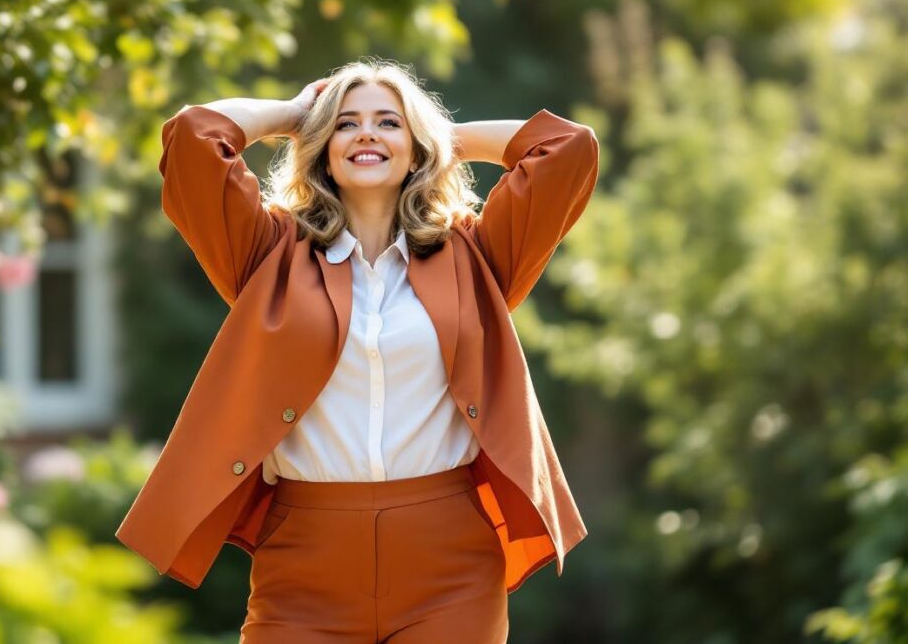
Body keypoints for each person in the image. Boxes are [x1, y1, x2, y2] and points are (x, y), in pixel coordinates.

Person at [115, 59, 601, 643]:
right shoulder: (267, 253)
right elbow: (194, 138)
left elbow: (568, 148)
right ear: (321, 147)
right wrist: (295, 114)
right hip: (303, 562)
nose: (366, 134)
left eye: (387, 123)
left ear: (417, 148)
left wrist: (440, 138)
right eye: (345, 124)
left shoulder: (476, 254)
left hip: (450, 562)